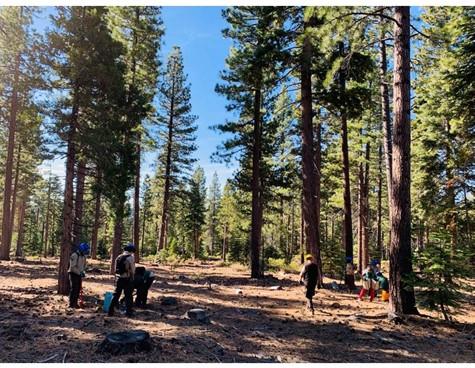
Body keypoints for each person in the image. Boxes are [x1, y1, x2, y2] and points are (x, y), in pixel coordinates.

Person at [108, 244, 136, 317]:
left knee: (116, 295)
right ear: (131, 251)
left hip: (118, 278)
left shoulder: (119, 257)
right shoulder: (130, 258)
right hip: (127, 279)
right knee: (128, 296)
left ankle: (110, 311)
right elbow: (133, 270)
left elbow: (115, 269)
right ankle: (129, 313)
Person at [68, 242, 89, 308]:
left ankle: (75, 303)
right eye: (85, 250)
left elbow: (84, 265)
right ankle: (71, 304)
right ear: (81, 249)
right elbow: (72, 267)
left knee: (78, 289)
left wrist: (83, 271)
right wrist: (79, 273)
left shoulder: (84, 256)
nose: (86, 252)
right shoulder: (74, 255)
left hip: (79, 274)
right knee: (74, 289)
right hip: (73, 274)